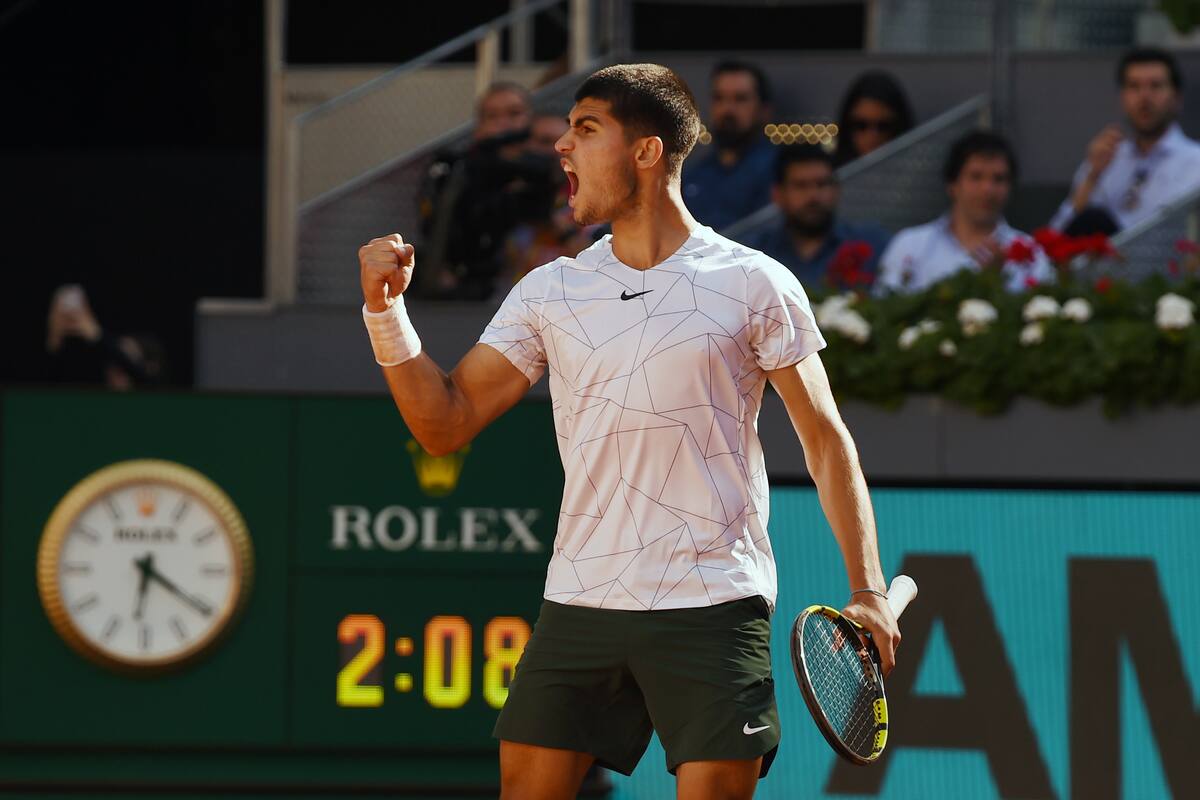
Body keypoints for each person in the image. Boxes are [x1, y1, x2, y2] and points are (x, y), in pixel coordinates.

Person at [359, 63, 900, 800]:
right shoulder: (552, 290)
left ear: (646, 152)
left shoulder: (754, 282)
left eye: (586, 130)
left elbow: (826, 440)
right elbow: (444, 424)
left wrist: (866, 585)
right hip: (582, 598)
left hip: (712, 600)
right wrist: (386, 313)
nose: (561, 148)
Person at [418, 82, 563, 300]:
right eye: (492, 116)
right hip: (469, 295)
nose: (503, 124)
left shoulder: (552, 169)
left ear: (531, 120)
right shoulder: (459, 172)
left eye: (514, 114)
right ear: (479, 126)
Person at [877, 130, 1052, 293]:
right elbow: (883, 309)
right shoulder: (910, 245)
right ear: (952, 185)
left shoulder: (1031, 253)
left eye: (999, 179)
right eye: (976, 177)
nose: (987, 189)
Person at [1051, 47, 1200, 234]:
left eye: (1155, 86)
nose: (1144, 97)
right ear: (1122, 97)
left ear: (1177, 98)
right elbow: (1058, 236)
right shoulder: (1106, 158)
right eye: (1134, 86)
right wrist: (1092, 176)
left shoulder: (1196, 164)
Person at [744, 143, 890, 290]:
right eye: (801, 185)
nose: (813, 196)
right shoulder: (755, 255)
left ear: (836, 190)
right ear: (778, 195)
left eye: (822, 184)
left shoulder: (873, 245)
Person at [682, 60, 776, 230]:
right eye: (719, 98)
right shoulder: (693, 175)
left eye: (740, 99)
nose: (727, 109)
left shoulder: (780, 173)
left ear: (764, 110)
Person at [833, 70, 914, 168]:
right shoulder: (828, 177)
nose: (872, 136)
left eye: (883, 126)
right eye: (861, 125)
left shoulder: (916, 177)